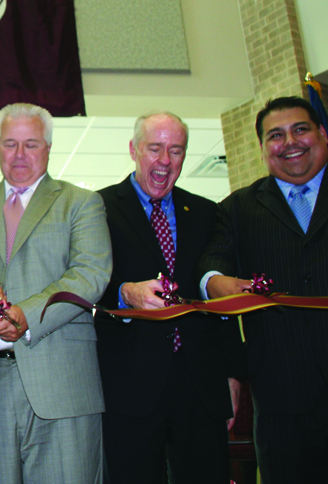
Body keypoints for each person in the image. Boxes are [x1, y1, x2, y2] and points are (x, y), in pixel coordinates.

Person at [197, 96, 328, 483]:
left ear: (323, 134)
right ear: (262, 148)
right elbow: (211, 269)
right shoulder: (238, 208)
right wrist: (217, 283)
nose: (289, 141)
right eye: (275, 135)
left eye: (300, 129)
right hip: (282, 398)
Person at [0, 103, 112, 484]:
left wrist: (28, 313)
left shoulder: (82, 202)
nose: (19, 155)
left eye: (31, 144)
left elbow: (90, 273)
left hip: (62, 380)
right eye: (10, 144)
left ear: (48, 147)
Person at [96, 112, 243, 484]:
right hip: (129, 387)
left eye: (176, 151)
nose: (165, 161)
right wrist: (124, 293)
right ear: (134, 150)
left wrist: (232, 376)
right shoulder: (97, 210)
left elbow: (219, 302)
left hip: (201, 386)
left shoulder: (209, 213)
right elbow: (85, 287)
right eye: (155, 148)